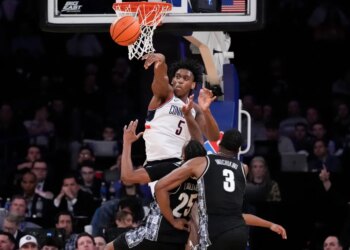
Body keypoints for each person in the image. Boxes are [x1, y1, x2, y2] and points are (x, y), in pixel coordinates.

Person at [105, 121, 286, 250]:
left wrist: (127, 143)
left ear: (183, 156)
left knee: (109, 248)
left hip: (159, 230)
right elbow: (236, 215)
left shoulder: (174, 167)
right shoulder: (209, 179)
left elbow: (128, 177)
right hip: (184, 237)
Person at [155, 128, 287, 250]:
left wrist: (172, 221)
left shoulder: (202, 162)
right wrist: (270, 225)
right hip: (239, 234)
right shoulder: (243, 168)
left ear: (219, 143)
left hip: (214, 233)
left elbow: (160, 186)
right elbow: (237, 216)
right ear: (238, 150)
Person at [142, 53, 220, 165]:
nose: (180, 81)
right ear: (172, 80)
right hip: (156, 160)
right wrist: (161, 61)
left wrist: (206, 111)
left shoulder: (195, 109)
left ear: (193, 85)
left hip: (180, 162)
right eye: (177, 77)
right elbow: (160, 78)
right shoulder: (164, 95)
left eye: (186, 78)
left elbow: (214, 137)